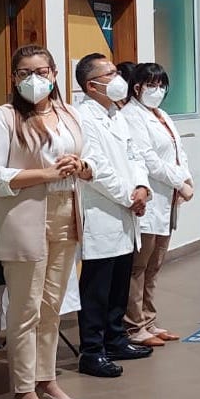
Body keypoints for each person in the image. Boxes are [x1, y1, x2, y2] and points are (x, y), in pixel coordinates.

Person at [0, 44, 91, 399]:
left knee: (51, 306)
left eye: (42, 72)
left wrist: (81, 165)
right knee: (25, 310)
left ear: (55, 74)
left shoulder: (68, 113)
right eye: (25, 73)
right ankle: (23, 394)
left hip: (66, 213)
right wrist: (45, 174)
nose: (34, 80)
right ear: (14, 78)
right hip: (25, 219)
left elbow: (89, 158)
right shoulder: (3, 117)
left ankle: (46, 381)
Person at [74, 53, 154, 378]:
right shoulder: (82, 118)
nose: (118, 77)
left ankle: (116, 339)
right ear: (92, 85)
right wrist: (127, 197)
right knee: (97, 287)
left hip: (126, 212)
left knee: (120, 280)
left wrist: (142, 187)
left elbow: (135, 155)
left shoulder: (116, 114)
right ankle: (92, 351)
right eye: (109, 73)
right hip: (101, 212)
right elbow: (97, 169)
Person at [120, 63, 193, 348]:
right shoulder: (131, 115)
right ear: (137, 87)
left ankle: (149, 320)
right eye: (152, 85)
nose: (158, 90)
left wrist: (186, 177)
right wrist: (180, 182)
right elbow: (148, 159)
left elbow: (178, 151)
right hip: (149, 199)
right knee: (139, 267)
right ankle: (134, 325)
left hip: (168, 200)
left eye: (162, 85)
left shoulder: (161, 114)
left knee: (154, 265)